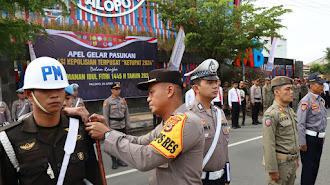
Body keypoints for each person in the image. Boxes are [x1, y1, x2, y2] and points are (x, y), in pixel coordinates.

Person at [86, 69, 205, 185]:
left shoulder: (185, 122)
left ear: (169, 91)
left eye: (152, 92)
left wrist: (107, 135)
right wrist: (108, 130)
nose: (148, 98)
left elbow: (145, 158)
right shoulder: (167, 123)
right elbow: (139, 141)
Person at [0, 57, 102, 185]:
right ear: (29, 94)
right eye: (45, 89)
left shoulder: (80, 127)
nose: (54, 95)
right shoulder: (10, 139)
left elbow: (94, 176)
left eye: (59, 88)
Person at [185, 59, 230, 185]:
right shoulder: (188, 116)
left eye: (216, 82)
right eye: (209, 82)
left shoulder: (219, 113)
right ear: (196, 88)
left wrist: (227, 177)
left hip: (220, 179)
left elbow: (223, 148)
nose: (215, 86)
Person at [262, 76, 299, 185]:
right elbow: (268, 143)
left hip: (291, 162)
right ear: (277, 92)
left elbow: (294, 137)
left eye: (292, 89)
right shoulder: (272, 113)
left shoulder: (290, 110)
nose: (292, 92)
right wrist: (272, 169)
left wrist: (297, 159)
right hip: (281, 164)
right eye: (287, 89)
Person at [297, 73, 328, 185]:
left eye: (323, 84)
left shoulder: (320, 100)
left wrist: (322, 135)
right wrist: (302, 143)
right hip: (309, 139)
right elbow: (300, 123)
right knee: (308, 170)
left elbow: (322, 120)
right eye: (320, 84)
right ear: (312, 85)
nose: (322, 86)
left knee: (315, 168)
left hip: (318, 139)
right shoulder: (306, 101)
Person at [103, 83, 130, 169]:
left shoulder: (122, 101)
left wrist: (127, 124)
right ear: (112, 90)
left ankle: (120, 160)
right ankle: (114, 161)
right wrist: (107, 128)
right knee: (112, 144)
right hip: (113, 126)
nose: (118, 91)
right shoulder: (108, 102)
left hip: (122, 125)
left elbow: (126, 113)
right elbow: (105, 115)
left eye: (119, 89)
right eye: (116, 89)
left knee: (121, 143)